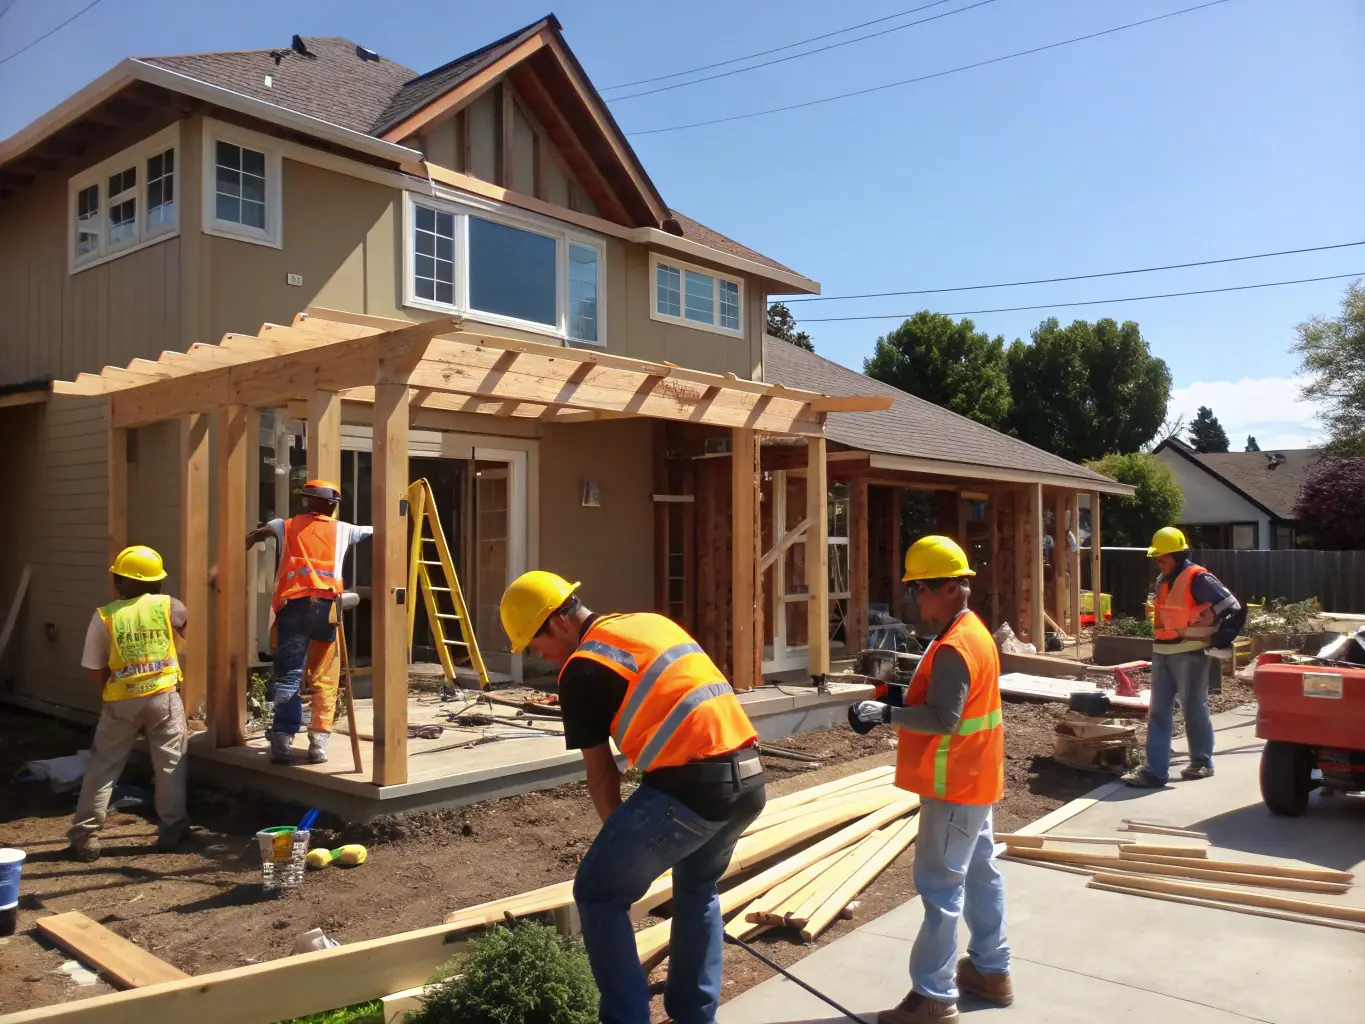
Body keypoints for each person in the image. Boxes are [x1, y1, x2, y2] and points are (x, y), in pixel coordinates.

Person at [499, 571, 765, 1024]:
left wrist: (624, 845)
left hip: (691, 787)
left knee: (599, 891)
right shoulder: (646, 623)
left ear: (558, 623)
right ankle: (694, 1017)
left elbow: (601, 774)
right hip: (750, 779)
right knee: (697, 889)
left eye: (533, 642)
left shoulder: (581, 669)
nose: (537, 655)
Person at [848, 536, 1011, 1023]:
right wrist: (895, 697)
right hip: (977, 778)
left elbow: (943, 718)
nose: (915, 599)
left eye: (919, 588)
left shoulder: (954, 647)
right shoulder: (972, 633)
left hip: (953, 785)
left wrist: (886, 712)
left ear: (946, 588)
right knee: (981, 873)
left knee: (940, 888)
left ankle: (933, 997)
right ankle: (991, 969)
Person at [68, 545, 190, 862]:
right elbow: (181, 622)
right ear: (156, 582)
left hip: (121, 700)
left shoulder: (105, 617)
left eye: (119, 579)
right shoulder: (169, 605)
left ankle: (86, 836)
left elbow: (95, 671)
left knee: (103, 766)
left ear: (123, 582)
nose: (116, 584)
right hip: (163, 697)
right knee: (170, 766)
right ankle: (172, 829)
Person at [246, 480, 371, 765]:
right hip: (326, 611)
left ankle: (282, 739)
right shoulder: (344, 530)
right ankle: (319, 743)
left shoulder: (284, 525)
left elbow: (255, 536)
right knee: (324, 677)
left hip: (293, 609)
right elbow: (377, 531)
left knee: (289, 676)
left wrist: (243, 545)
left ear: (306, 501)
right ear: (333, 505)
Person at [1123, 527, 1246, 788]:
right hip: (1163, 653)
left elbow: (1233, 608)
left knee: (1194, 708)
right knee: (1158, 712)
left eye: (1163, 557)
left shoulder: (1198, 578)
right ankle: (1155, 772)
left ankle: (1201, 762)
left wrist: (1218, 639)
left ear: (1178, 554)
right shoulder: (1163, 579)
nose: (1158, 561)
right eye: (1156, 557)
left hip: (1189, 653)